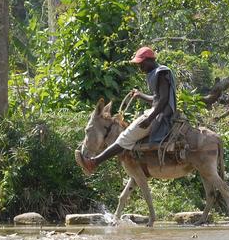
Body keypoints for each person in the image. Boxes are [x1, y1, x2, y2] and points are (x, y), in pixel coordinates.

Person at [76, 46, 177, 174]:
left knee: (125, 137)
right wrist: (140, 95)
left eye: (141, 64)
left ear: (149, 60)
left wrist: (150, 119)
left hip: (160, 114)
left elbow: (163, 100)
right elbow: (157, 99)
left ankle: (94, 162)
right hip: (157, 111)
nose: (140, 67)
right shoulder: (154, 73)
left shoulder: (161, 73)